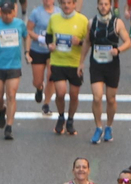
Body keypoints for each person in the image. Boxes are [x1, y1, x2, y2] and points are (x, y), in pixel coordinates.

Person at [45, 0, 90, 134]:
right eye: (64, 3)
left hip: (75, 63)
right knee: (60, 93)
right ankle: (61, 117)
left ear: (74, 4)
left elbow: (89, 41)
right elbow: (48, 37)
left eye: (69, 3)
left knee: (74, 95)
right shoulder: (54, 18)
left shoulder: (83, 20)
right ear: (60, 4)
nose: (66, 6)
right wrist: (50, 45)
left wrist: (79, 42)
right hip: (58, 61)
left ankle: (70, 120)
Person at [0, 0, 27, 138]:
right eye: (4, 13)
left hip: (14, 65)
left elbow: (26, 36)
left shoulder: (20, 24)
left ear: (14, 12)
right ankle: (1, 109)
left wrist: (27, 52)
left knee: (11, 95)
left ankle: (9, 126)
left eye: (9, 13)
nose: (7, 16)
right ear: (0, 13)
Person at [87, 0, 128, 142]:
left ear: (110, 6)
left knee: (111, 99)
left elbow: (128, 41)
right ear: (97, 6)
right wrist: (80, 63)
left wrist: (119, 50)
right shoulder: (91, 23)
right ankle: (98, 127)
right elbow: (87, 42)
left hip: (112, 65)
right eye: (101, 4)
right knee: (97, 97)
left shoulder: (117, 23)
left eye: (106, 4)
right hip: (96, 64)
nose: (103, 7)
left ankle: (109, 126)